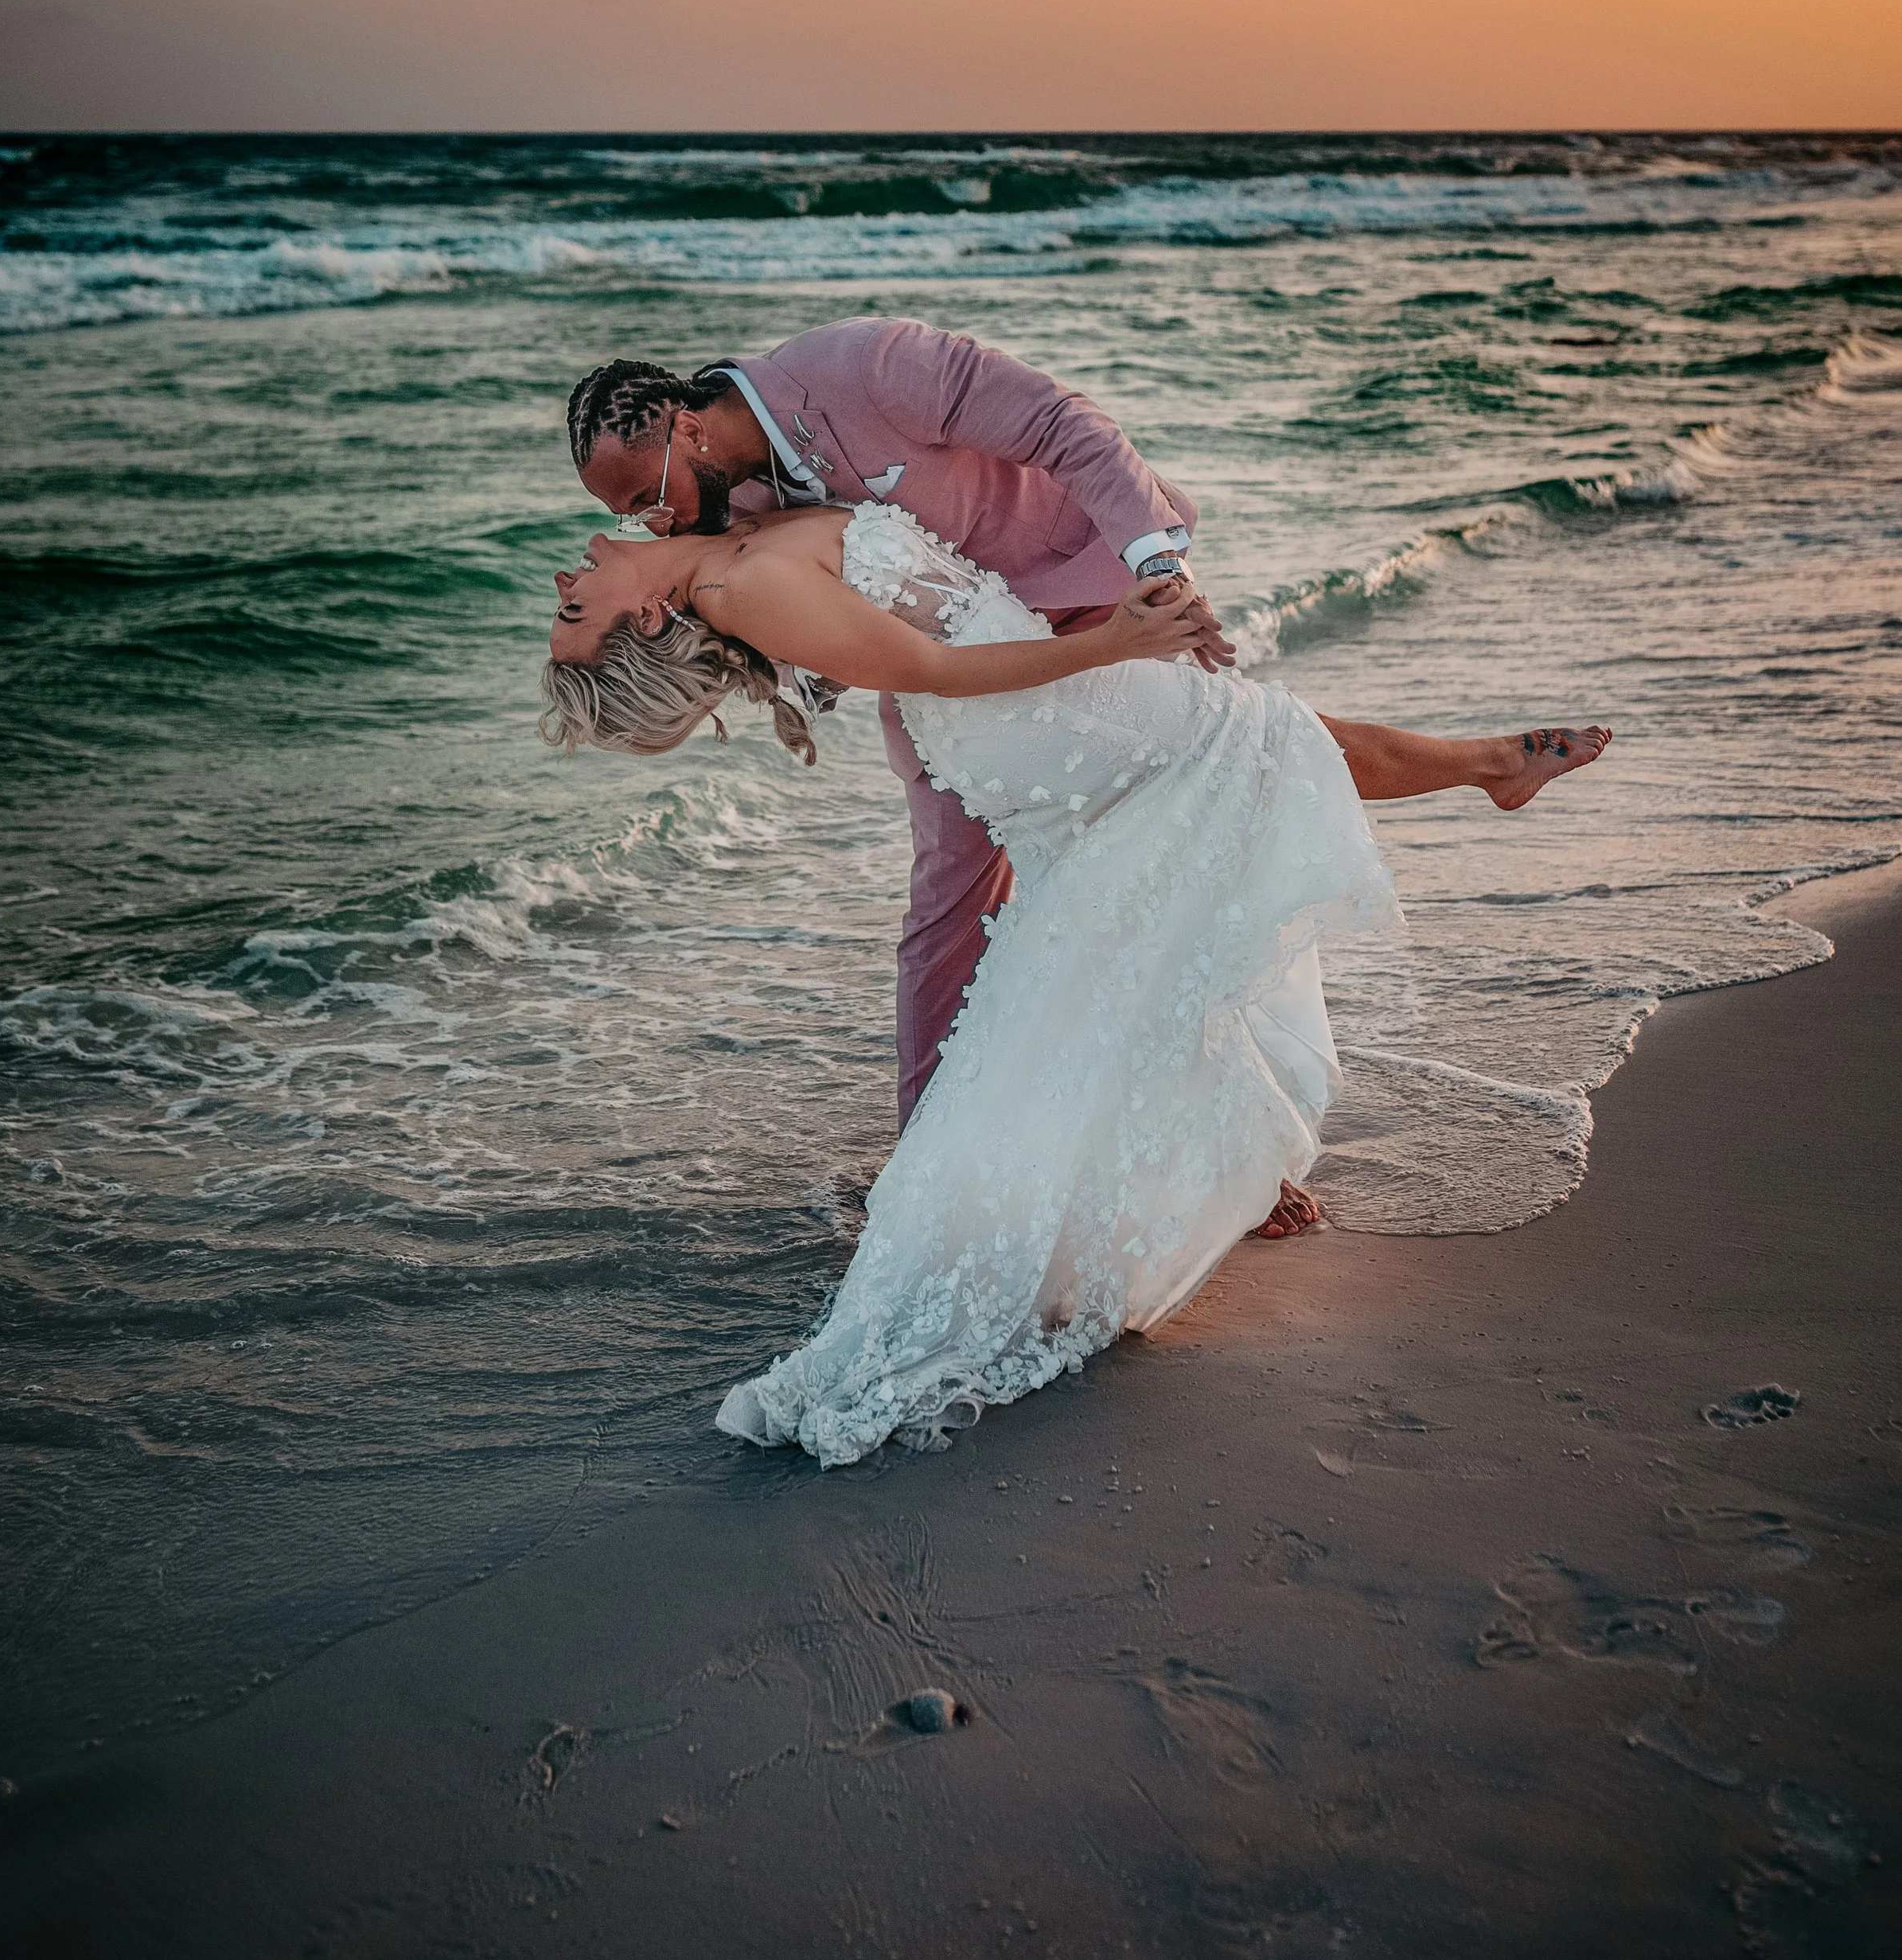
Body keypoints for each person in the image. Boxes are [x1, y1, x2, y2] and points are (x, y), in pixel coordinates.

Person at [539, 492, 1609, 1468]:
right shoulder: (746, 585)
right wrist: (1119, 638)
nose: (562, 591)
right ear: (635, 626)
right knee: (1259, 745)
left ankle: (1485, 769)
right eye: (573, 618)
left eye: (562, 610)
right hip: (1030, 712)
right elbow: (938, 672)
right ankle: (1487, 767)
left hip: (1021, 719)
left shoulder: (738, 542)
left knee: (1159, 886)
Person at [565, 322, 1608, 1135]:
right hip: (969, 680)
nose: (650, 522)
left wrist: (1154, 573)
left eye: (645, 497)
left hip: (1073, 592)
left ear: (682, 428)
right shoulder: (723, 502)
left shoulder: (866, 367)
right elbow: (834, 626)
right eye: (633, 520)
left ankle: (1213, 1123)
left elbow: (1065, 423)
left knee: (1224, 775)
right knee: (970, 891)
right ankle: (936, 1141)